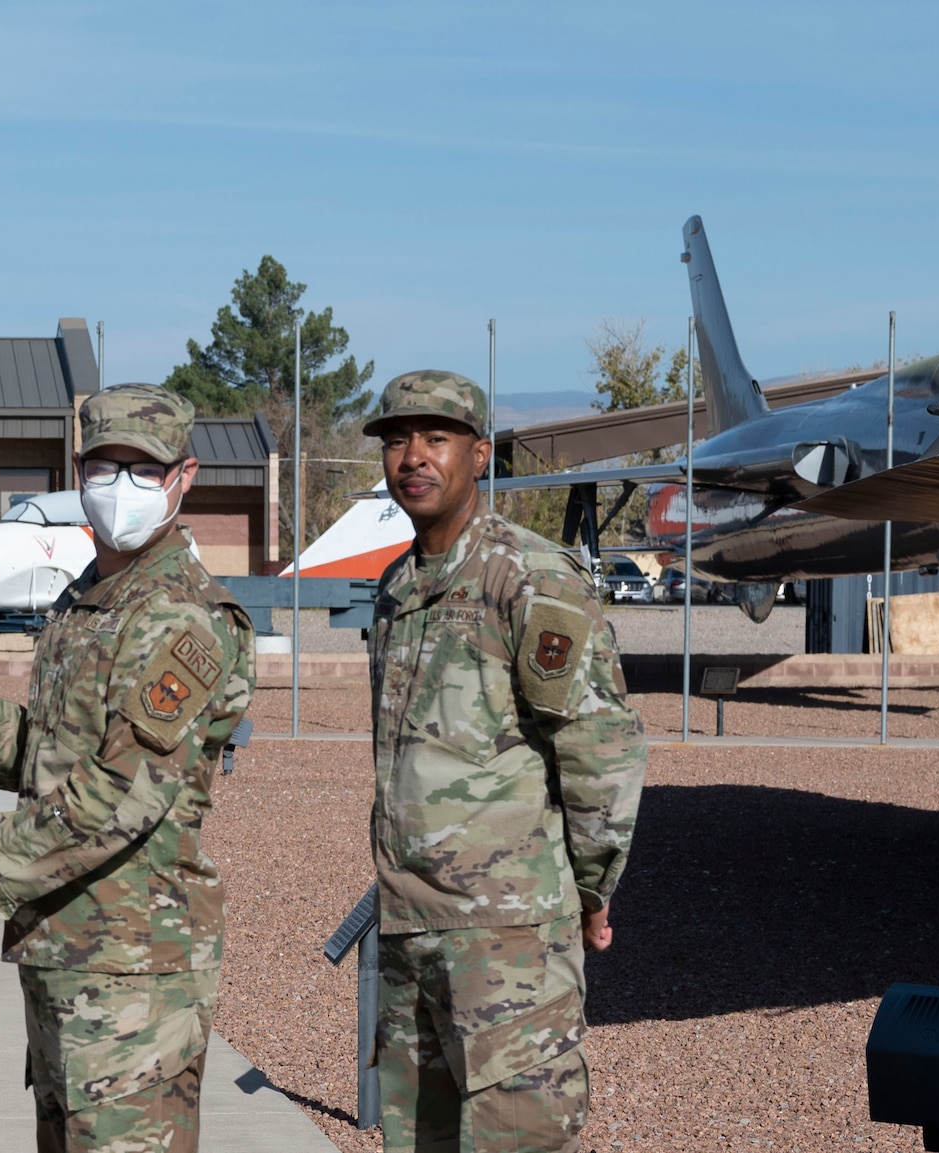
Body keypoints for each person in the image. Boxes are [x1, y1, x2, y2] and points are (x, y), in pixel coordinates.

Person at [0, 383, 256, 1153]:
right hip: (67, 954)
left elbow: (116, 796)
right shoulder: (88, 597)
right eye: (103, 465)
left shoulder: (182, 616)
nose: (119, 486)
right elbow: (66, 758)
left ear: (184, 477)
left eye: (143, 469)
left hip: (135, 974)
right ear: (77, 469)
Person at [362, 370, 645, 1152]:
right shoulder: (397, 587)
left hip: (508, 941)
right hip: (412, 931)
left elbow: (601, 752)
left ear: (480, 455)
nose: (412, 456)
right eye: (395, 440)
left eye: (435, 438)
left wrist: (593, 889)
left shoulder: (527, 577)